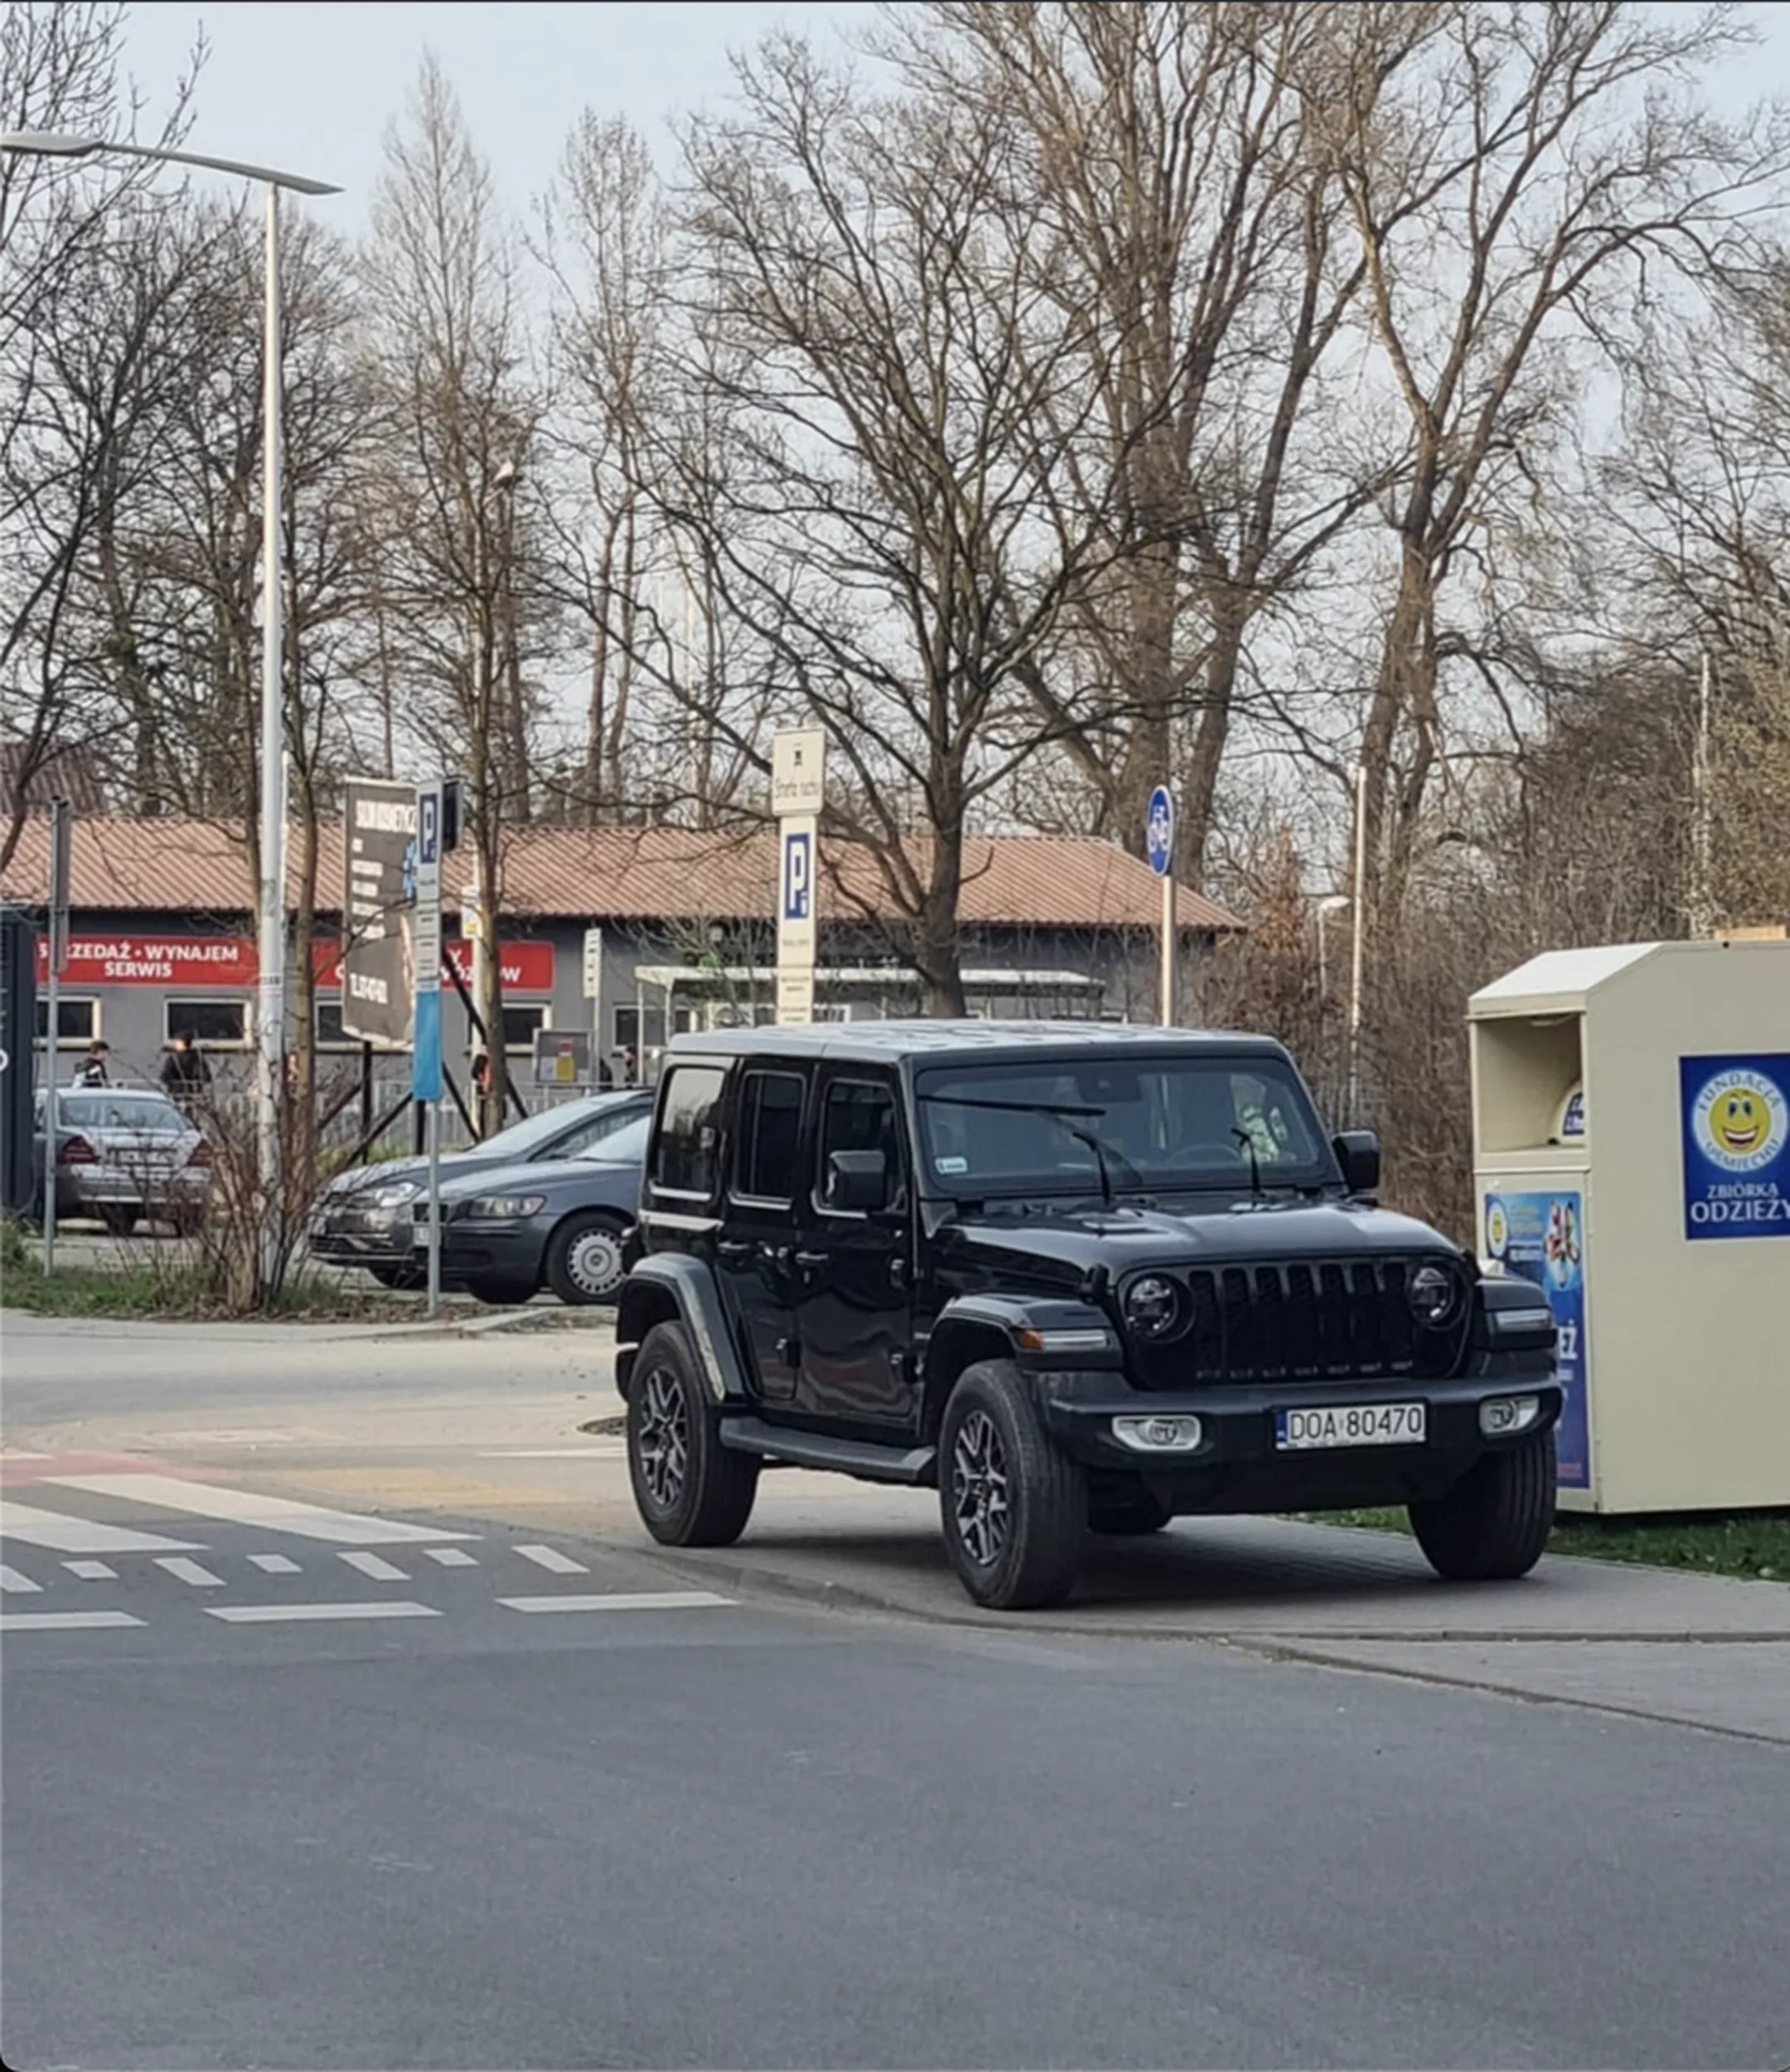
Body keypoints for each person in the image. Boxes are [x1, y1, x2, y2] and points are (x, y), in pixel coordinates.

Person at [160, 1032, 211, 1110]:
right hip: (176, 1093)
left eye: (179, 1043)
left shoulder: (196, 1058)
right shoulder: (173, 1058)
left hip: (193, 1093)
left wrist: (197, 1082)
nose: (176, 1045)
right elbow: (165, 1074)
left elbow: (205, 1075)